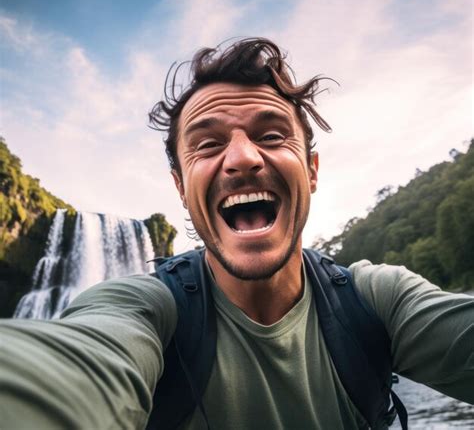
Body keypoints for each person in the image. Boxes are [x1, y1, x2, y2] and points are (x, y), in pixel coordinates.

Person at [1, 38, 473, 430]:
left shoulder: (377, 301)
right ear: (181, 187)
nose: (243, 157)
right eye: (208, 144)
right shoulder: (144, 311)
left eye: (271, 136)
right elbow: (76, 362)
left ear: (311, 170)